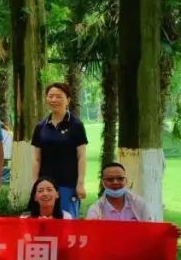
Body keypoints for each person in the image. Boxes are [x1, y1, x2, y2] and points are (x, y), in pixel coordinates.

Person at [31, 83, 88, 218]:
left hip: (68, 185)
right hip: (46, 187)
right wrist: (35, 185)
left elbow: (81, 156)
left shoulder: (76, 125)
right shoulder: (40, 127)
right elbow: (36, 159)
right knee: (46, 222)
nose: (54, 100)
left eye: (59, 96)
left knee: (67, 222)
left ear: (68, 100)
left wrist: (80, 184)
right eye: (50, 96)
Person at [86, 162, 152, 221]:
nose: (115, 182)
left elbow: (150, 228)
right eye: (110, 179)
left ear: (126, 181)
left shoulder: (139, 204)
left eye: (120, 178)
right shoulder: (96, 209)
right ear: (103, 183)